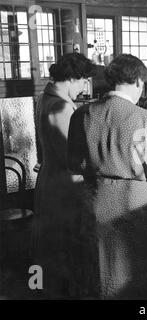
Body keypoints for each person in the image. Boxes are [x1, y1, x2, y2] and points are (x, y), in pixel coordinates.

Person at [67, 54, 147, 299]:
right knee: (135, 272)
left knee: (101, 269)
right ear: (138, 81)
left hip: (95, 201)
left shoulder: (81, 114)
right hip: (134, 205)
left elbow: (74, 165)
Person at [33, 53, 98, 299]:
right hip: (65, 186)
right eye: (83, 81)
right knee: (68, 251)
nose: (85, 88)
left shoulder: (47, 98)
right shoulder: (60, 106)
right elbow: (71, 157)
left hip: (52, 180)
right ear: (71, 78)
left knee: (55, 250)